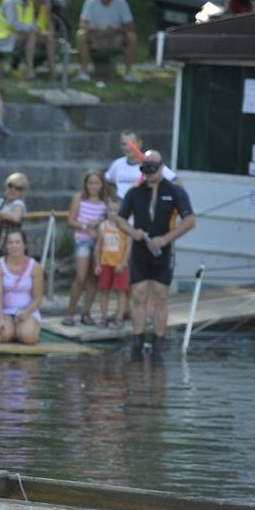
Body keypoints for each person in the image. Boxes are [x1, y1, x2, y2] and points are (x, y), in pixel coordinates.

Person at [115, 149, 196, 359]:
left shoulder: (174, 191)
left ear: (161, 168)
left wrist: (167, 238)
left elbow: (190, 221)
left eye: (153, 169)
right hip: (141, 248)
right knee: (139, 294)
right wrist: (133, 232)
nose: (149, 173)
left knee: (160, 295)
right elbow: (120, 219)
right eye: (145, 169)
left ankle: (159, 342)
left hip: (163, 249)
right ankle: (137, 341)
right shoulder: (134, 192)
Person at [62, 171, 107, 326]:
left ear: (102, 185)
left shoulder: (104, 203)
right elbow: (71, 220)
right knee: (80, 278)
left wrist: (98, 226)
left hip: (98, 244)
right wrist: (87, 227)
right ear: (86, 184)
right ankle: (69, 313)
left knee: (93, 279)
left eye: (97, 183)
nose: (94, 186)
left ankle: (86, 313)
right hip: (82, 241)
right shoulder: (79, 198)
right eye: (90, 183)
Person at [75, 0, 138, 83]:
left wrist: (115, 30)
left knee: (131, 36)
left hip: (115, 38)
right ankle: (83, 72)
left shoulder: (121, 3)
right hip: (95, 37)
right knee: (81, 34)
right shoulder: (90, 2)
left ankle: (129, 73)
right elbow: (82, 24)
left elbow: (130, 26)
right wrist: (99, 29)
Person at [0, 230, 42, 345]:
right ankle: (12, 329)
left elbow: (38, 298)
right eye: (10, 242)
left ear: (24, 245)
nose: (14, 246)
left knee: (28, 337)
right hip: (6, 311)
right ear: (6, 245)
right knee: (4, 336)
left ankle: (27, 327)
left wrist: (26, 312)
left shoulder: (35, 266)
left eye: (17, 242)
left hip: (28, 311)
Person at [0, 0, 40, 82]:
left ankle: (51, 72)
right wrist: (33, 28)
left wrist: (36, 29)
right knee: (31, 34)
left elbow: (32, 23)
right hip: (1, 38)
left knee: (44, 37)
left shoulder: (30, 4)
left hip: (15, 37)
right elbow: (14, 25)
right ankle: (29, 71)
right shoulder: (11, 1)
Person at [105, 130, 177, 200]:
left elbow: (175, 181)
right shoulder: (117, 164)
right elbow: (108, 182)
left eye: (131, 144)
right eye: (124, 144)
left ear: (140, 143)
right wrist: (113, 200)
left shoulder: (151, 163)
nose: (127, 147)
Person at [94, 195, 131, 329]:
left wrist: (123, 263)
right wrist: (97, 264)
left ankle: (119, 318)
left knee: (121, 292)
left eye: (116, 210)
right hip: (105, 264)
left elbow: (128, 247)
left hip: (119, 265)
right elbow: (98, 246)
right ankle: (104, 317)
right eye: (110, 210)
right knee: (104, 290)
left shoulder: (125, 227)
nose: (113, 213)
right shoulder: (103, 226)